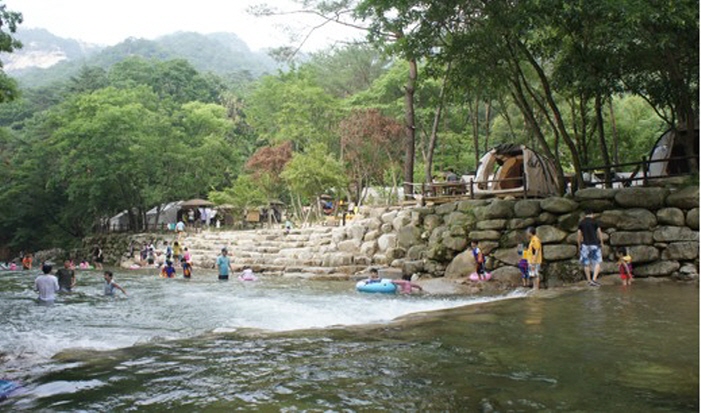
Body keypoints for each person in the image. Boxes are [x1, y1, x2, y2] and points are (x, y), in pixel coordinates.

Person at [578, 210, 604, 287]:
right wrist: (602, 242)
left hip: (585, 245)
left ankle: (589, 280)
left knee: (586, 263)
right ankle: (594, 279)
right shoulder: (595, 222)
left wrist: (579, 244)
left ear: (585, 215)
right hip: (595, 244)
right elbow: (599, 232)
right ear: (592, 214)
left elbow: (579, 234)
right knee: (598, 262)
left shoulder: (581, 223)